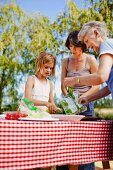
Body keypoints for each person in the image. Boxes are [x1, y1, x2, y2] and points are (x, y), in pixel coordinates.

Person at [57, 30, 99, 170]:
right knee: (64, 141)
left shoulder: (91, 60)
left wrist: (84, 97)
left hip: (86, 105)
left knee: (85, 142)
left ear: (82, 46)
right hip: (69, 106)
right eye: (70, 46)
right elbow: (63, 85)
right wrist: (68, 98)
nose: (72, 49)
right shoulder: (65, 61)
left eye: (75, 46)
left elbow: (97, 85)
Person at [63, 21, 113, 104]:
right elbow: (109, 87)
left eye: (87, 41)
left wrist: (75, 80)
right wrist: (88, 98)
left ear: (96, 33)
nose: (88, 47)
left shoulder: (105, 44)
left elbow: (101, 76)